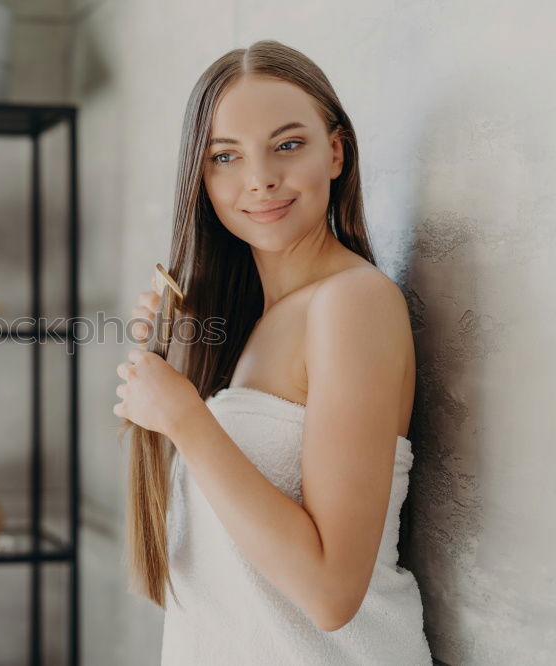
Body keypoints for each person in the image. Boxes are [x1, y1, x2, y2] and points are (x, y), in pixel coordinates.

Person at [112, 40, 434, 664]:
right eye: (225, 156)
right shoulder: (243, 322)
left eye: (288, 144)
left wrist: (185, 417)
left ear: (335, 151)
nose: (259, 178)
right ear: (200, 178)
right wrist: (178, 367)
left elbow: (332, 594)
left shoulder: (353, 304)